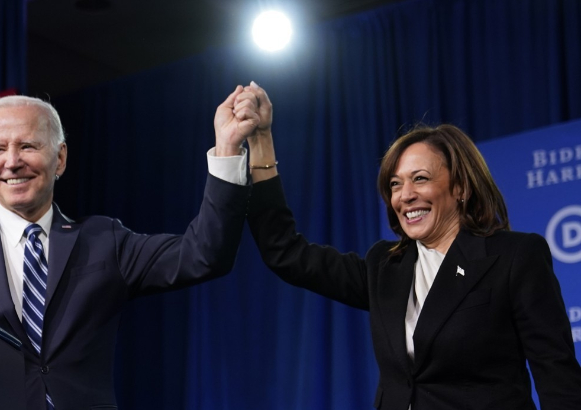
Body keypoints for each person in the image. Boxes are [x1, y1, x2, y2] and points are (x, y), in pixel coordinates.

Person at [0, 85, 264, 410]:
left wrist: (228, 150)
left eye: (28, 145)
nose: (12, 161)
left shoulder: (103, 240)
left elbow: (203, 256)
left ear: (60, 158)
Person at [236, 84, 581, 409]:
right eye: (395, 184)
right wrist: (262, 140)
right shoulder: (384, 267)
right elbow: (286, 253)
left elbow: (557, 375)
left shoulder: (513, 257)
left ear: (460, 187)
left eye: (420, 178)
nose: (405, 195)